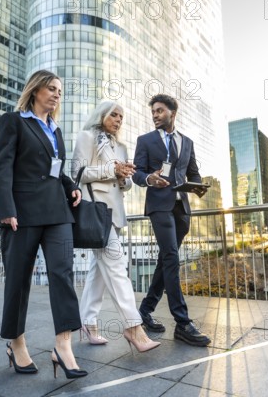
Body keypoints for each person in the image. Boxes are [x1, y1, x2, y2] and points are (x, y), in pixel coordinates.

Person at [0, 69, 88, 379]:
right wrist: (6, 209)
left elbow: (56, 169)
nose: (57, 94)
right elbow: (3, 167)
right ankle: (16, 342)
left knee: (63, 273)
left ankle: (63, 345)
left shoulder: (56, 130)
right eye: (51, 88)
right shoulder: (14, 121)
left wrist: (69, 187)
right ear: (35, 90)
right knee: (18, 280)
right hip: (22, 214)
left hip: (58, 212)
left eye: (60, 90)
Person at [72, 101, 160, 353]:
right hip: (95, 211)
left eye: (121, 116)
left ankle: (88, 322)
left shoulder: (120, 147)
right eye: (114, 114)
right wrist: (111, 169)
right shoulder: (87, 137)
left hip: (115, 213)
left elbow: (127, 184)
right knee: (117, 265)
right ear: (102, 115)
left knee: (97, 274)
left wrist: (123, 178)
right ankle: (133, 326)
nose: (118, 120)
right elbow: (77, 172)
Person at [132, 94, 211, 347]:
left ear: (172, 113)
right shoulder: (145, 141)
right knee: (172, 258)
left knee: (167, 258)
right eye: (153, 111)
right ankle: (183, 323)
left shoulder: (186, 142)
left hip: (181, 208)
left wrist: (199, 187)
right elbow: (137, 173)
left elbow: (194, 173)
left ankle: (144, 310)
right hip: (159, 206)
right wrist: (149, 179)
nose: (155, 115)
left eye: (159, 111)